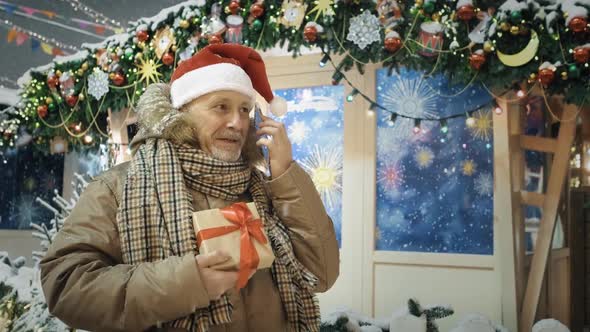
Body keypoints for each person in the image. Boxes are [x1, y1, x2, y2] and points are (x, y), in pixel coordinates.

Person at [40, 44, 340, 332]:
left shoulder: (263, 188)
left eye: (245, 110)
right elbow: (65, 284)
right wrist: (185, 283)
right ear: (181, 114)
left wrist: (286, 174)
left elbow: (321, 274)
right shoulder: (118, 187)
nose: (237, 122)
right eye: (221, 107)